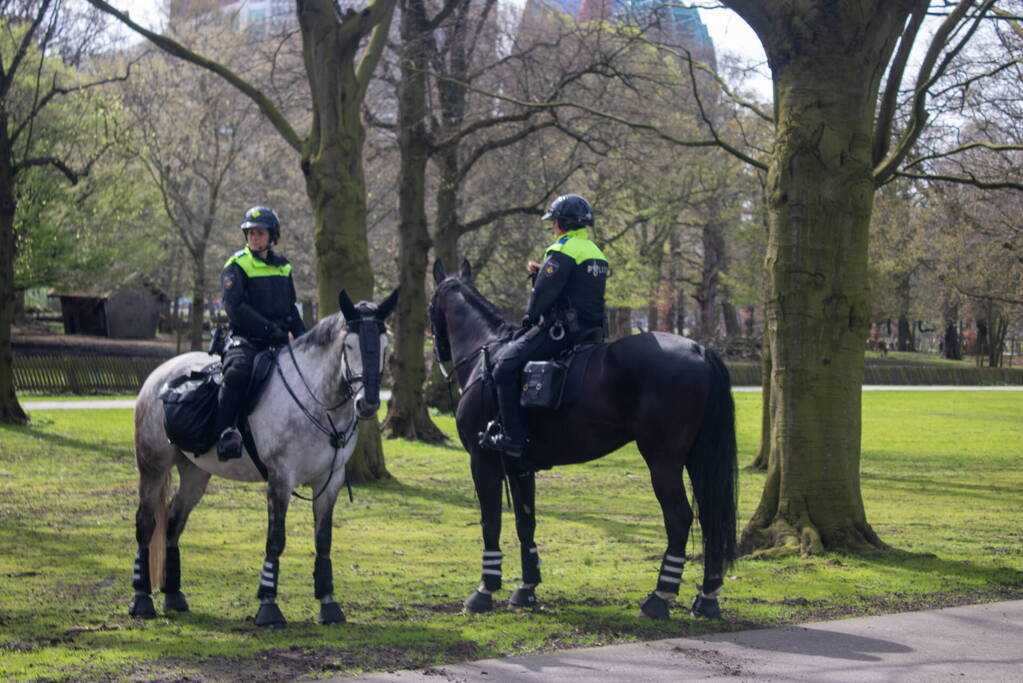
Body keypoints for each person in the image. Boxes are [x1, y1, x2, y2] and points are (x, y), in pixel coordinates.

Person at [482, 194, 609, 457]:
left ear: (563, 223)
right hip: (591, 333)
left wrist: (530, 318)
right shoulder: (595, 252)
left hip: (562, 332)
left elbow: (543, 293)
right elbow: (576, 287)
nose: (552, 226)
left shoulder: (562, 250)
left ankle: (513, 437)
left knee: (504, 368)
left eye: (554, 221)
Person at [214, 206, 306, 461]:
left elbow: (290, 307)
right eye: (251, 233)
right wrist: (271, 331)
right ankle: (225, 433)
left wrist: (304, 337)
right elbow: (235, 308)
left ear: (272, 236)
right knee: (237, 373)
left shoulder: (283, 266)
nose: (254, 238)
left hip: (280, 338)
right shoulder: (236, 265)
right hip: (247, 339)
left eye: (260, 233)